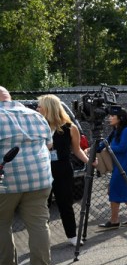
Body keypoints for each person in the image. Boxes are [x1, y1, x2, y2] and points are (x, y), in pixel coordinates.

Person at [0, 87, 53, 265]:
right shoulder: (36, 116)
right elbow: (48, 145)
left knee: (2, 225)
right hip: (39, 179)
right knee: (39, 224)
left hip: (6, 182)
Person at [36, 95, 89, 246]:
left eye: (40, 106)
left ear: (49, 108)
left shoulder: (70, 128)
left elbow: (77, 150)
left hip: (63, 169)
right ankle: (42, 240)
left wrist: (90, 162)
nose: (37, 109)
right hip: (43, 169)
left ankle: (72, 235)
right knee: (41, 207)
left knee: (65, 203)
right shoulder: (38, 126)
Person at [96, 108, 127, 228]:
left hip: (123, 165)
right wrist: (94, 149)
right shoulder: (115, 131)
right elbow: (103, 144)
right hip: (117, 165)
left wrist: (108, 148)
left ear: (120, 117)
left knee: (115, 190)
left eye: (112, 116)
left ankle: (115, 220)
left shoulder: (126, 131)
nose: (109, 118)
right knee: (122, 191)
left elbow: (121, 148)